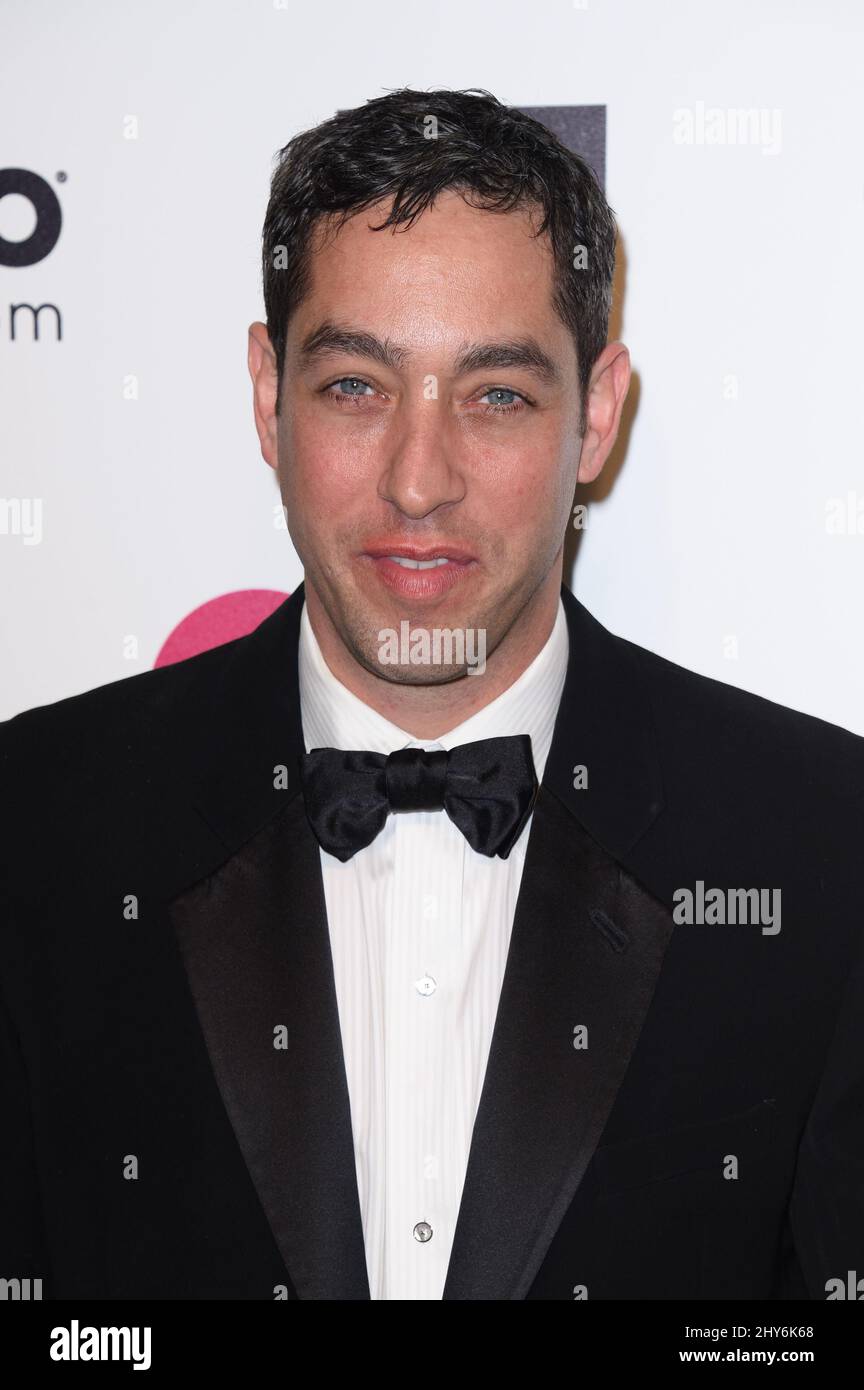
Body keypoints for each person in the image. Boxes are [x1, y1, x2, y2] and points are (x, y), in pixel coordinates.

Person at [1, 87, 862, 1302]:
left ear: (598, 413)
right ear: (267, 393)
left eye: (496, 394)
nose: (419, 481)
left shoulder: (823, 844)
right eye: (357, 385)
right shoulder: (39, 824)